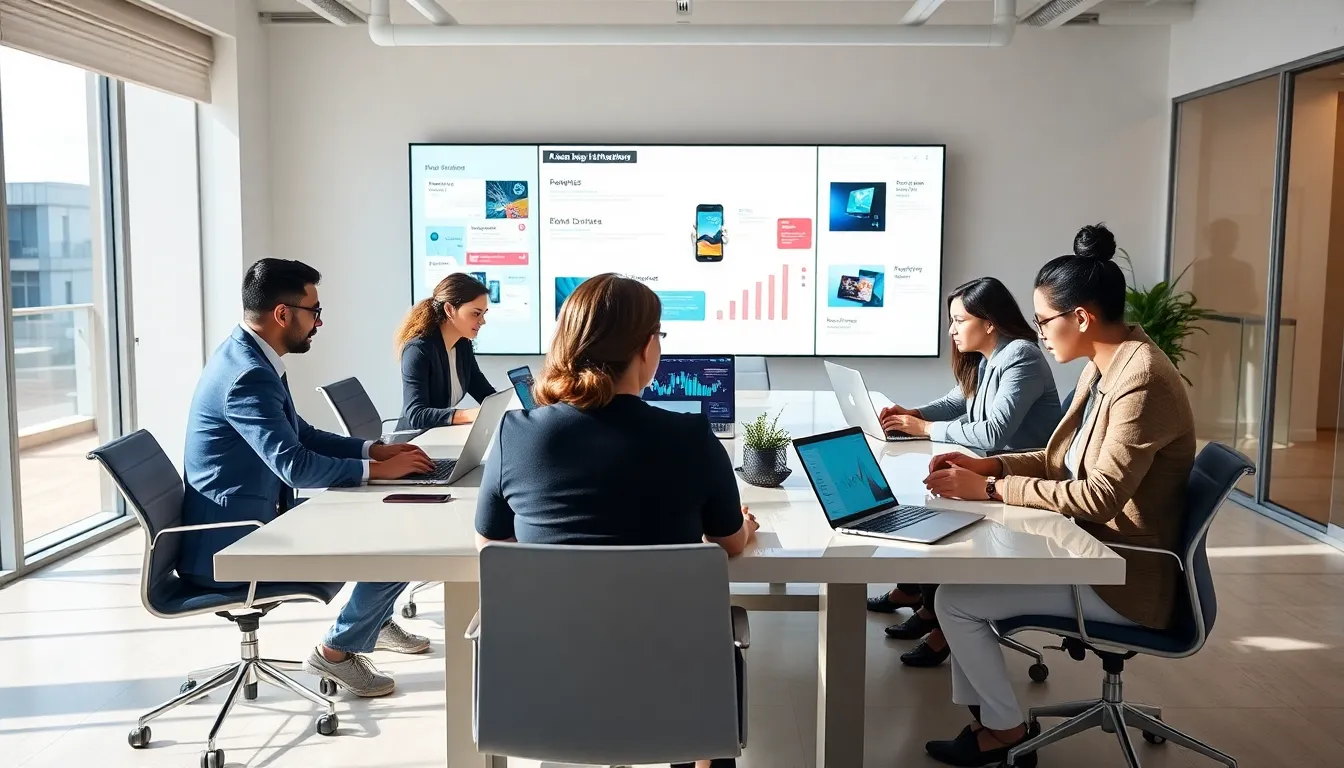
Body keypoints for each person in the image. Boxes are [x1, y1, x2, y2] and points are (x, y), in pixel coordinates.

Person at [917, 224, 1196, 767]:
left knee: (955, 599)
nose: (1037, 334)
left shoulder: (1140, 380)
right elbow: (1056, 458)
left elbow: (1099, 496)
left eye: (1044, 321)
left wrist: (993, 487)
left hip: (1125, 572)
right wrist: (989, 463)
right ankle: (984, 716)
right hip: (1086, 549)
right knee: (959, 583)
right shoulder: (1108, 362)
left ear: (1082, 318)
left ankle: (1002, 730)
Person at [475, 273, 756, 768]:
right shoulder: (689, 436)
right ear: (647, 348)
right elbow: (729, 544)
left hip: (551, 680)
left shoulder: (517, 433)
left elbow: (492, 546)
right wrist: (747, 525)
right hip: (676, 683)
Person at [179, 258, 440, 699]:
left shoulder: (248, 356)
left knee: (393, 518)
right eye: (314, 311)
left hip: (256, 516)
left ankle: (369, 621)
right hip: (233, 540)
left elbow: (300, 434)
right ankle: (338, 650)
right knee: (401, 534)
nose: (320, 322)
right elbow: (294, 465)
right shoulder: (248, 375)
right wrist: (376, 471)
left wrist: (371, 451)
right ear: (283, 314)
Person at [868, 277, 1064, 668]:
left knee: (938, 508)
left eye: (959, 320)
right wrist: (913, 414)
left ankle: (940, 620)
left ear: (989, 322)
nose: (951, 330)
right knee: (924, 494)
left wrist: (922, 429)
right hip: (990, 466)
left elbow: (994, 431)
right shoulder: (987, 356)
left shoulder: (1021, 356)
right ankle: (925, 601)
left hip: (1020, 478)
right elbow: (957, 400)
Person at [396, 272, 497, 430]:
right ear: (450, 309)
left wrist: (513, 410)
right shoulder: (417, 350)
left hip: (440, 437)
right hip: (412, 442)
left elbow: (485, 394)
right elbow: (416, 415)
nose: (483, 321)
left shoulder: (463, 346)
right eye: (476, 313)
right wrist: (472, 414)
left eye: (484, 314)